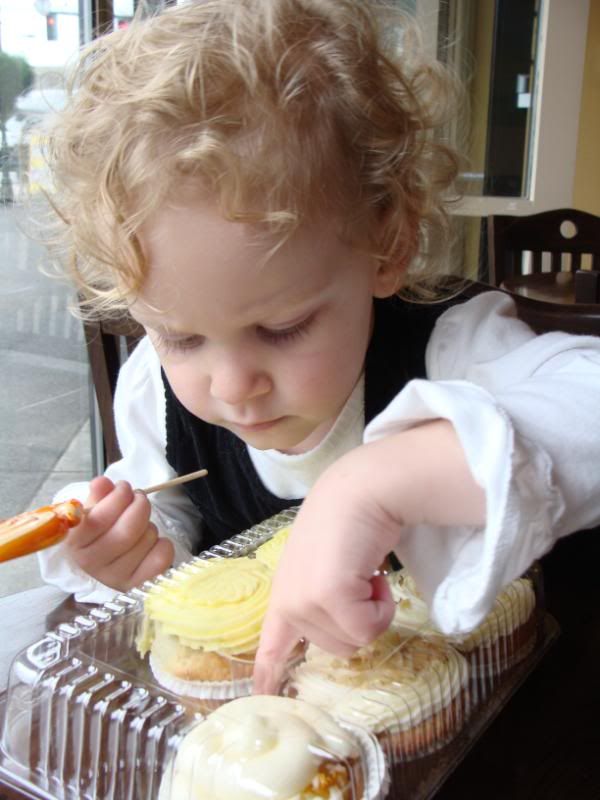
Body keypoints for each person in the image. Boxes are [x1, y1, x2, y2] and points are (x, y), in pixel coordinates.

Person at [38, 0, 600, 695]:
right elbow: (175, 516)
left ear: (386, 244)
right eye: (181, 336)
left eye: (282, 329)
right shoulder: (153, 392)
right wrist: (146, 556)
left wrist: (369, 485)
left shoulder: (450, 344)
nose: (233, 384)